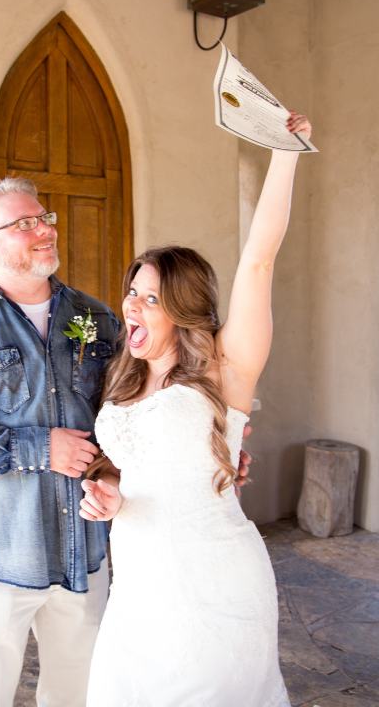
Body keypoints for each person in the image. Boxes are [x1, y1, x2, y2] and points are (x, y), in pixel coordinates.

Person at [0, 176, 251, 707]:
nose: (44, 228)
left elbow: (142, 404)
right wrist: (40, 448)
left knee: (76, 696)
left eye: (44, 217)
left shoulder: (96, 320)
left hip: (84, 554)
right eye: (24, 223)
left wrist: (206, 444)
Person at [80, 112, 312, 707]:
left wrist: (285, 152)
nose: (131, 305)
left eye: (150, 297)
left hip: (213, 583)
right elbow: (136, 468)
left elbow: (259, 260)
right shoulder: (124, 374)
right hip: (137, 588)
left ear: (181, 308)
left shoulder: (225, 369)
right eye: (131, 290)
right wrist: (109, 490)